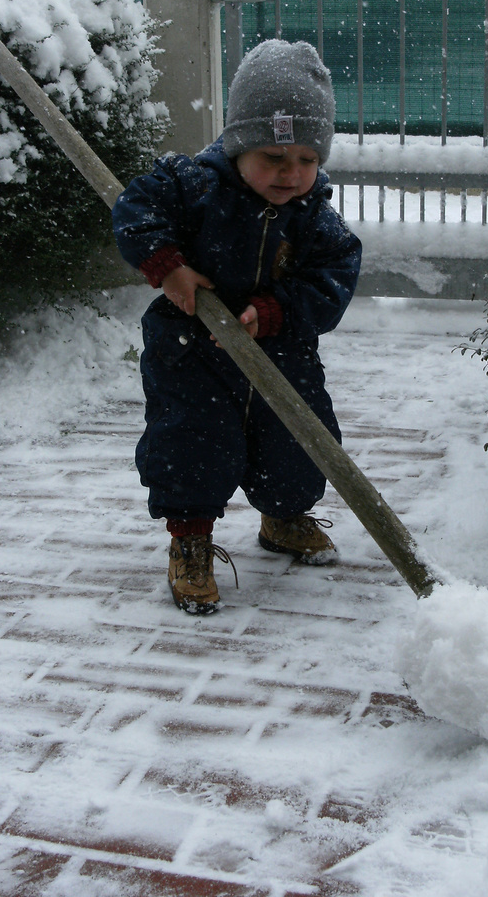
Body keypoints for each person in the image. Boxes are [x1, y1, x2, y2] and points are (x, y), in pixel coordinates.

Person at [112, 39, 362, 614]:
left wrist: (277, 312)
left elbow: (334, 278)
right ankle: (191, 543)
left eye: (306, 159)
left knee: (300, 443)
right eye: (274, 158)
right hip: (191, 351)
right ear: (239, 144)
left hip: (281, 354)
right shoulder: (189, 184)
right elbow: (134, 211)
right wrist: (166, 265)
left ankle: (282, 516)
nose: (291, 173)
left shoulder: (314, 217)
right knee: (191, 446)